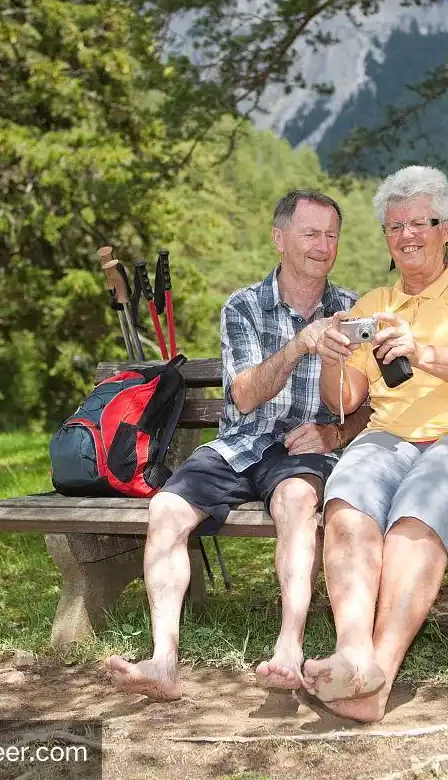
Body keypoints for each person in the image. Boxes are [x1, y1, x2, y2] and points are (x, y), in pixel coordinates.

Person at [105, 190, 371, 701]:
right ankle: (163, 661)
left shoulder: (353, 311)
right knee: (165, 509)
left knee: (297, 501)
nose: (323, 246)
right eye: (310, 233)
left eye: (331, 235)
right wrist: (299, 344)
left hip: (303, 449)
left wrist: (335, 433)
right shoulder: (244, 306)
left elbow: (371, 401)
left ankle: (289, 650)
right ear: (280, 238)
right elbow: (245, 396)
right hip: (241, 443)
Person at [302, 165, 448, 722]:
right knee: (347, 497)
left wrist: (423, 350)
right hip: (391, 439)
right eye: (394, 226)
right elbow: (349, 394)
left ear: (445, 227)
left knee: (422, 503)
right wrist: (332, 356)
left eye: (420, 223)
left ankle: (377, 677)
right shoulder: (373, 303)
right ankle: (353, 652)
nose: (407, 235)